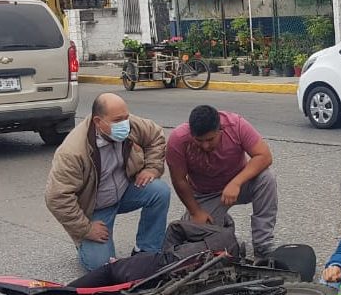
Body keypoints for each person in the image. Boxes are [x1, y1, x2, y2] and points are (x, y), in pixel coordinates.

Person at [45, 93, 171, 270]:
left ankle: (147, 251)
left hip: (124, 191)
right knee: (102, 267)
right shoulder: (73, 152)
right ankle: (84, 245)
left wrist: (151, 168)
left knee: (159, 191)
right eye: (119, 120)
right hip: (95, 207)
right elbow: (56, 197)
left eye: (126, 117)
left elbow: (156, 136)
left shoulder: (129, 125)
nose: (125, 124)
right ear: (98, 121)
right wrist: (85, 229)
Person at [167, 105, 278, 257]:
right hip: (204, 193)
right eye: (199, 140)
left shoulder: (236, 125)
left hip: (238, 185)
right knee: (192, 244)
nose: (205, 145)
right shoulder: (178, 139)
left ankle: (262, 245)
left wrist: (236, 182)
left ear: (221, 129)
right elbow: (179, 180)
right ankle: (224, 224)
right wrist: (196, 212)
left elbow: (264, 156)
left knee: (267, 178)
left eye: (210, 139)